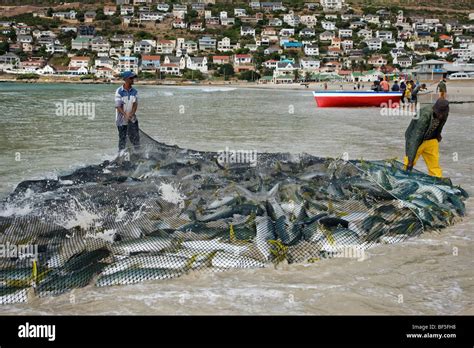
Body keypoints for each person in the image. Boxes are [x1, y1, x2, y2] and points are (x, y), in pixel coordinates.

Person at [404, 98, 450, 177]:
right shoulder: (425, 114)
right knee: (408, 164)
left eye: (442, 113)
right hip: (417, 141)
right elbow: (415, 137)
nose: (441, 115)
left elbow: (440, 125)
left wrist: (438, 134)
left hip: (431, 140)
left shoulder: (445, 113)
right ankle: (403, 179)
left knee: (434, 166)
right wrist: (411, 160)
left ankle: (438, 182)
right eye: (439, 113)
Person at [115, 71, 140, 152]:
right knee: (122, 139)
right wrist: (125, 115)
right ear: (125, 79)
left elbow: (135, 105)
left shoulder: (135, 91)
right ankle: (121, 155)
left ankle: (137, 153)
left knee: (135, 139)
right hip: (121, 121)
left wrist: (131, 114)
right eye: (131, 78)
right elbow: (118, 106)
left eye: (133, 78)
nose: (133, 79)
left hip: (132, 119)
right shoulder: (119, 91)